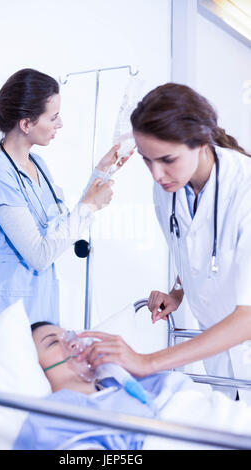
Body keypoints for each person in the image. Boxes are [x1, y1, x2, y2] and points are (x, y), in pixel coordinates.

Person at [78, 82, 251, 402]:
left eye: (167, 159)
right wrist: (178, 292)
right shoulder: (168, 190)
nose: (157, 174)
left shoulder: (244, 190)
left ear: (201, 142)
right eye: (147, 160)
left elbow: (248, 317)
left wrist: (147, 361)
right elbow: (195, 249)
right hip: (219, 357)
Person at [0, 68, 131, 354]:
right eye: (53, 117)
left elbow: (60, 227)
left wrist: (102, 172)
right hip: (1, 306)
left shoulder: (38, 165)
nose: (60, 123)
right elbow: (39, 254)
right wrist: (89, 206)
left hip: (36, 302)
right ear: (26, 123)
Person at [13, 321, 194, 450]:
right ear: (33, 365)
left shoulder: (121, 382)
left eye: (68, 335)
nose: (73, 342)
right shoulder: (52, 417)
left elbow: (185, 395)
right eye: (53, 342)